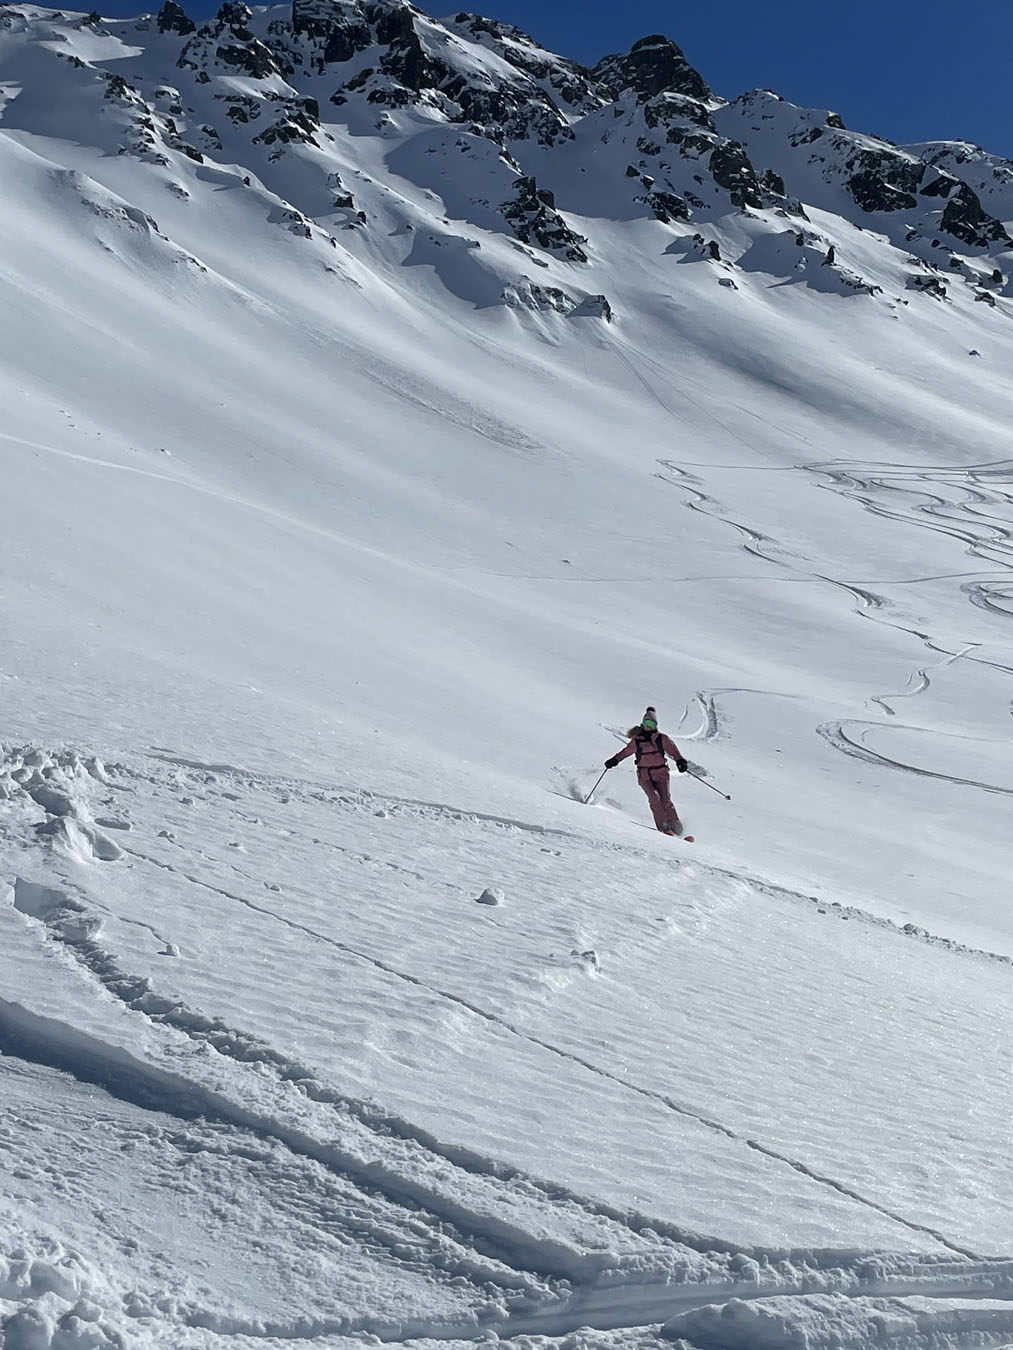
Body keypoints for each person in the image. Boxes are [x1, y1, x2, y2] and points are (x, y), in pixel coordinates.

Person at [604, 706, 689, 836]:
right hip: (645, 776)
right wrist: (614, 760)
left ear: (656, 725)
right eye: (646, 723)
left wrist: (680, 761)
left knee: (665, 800)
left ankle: (677, 827)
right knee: (654, 799)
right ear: (642, 723)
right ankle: (664, 827)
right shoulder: (637, 740)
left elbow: (673, 751)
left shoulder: (662, 739)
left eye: (651, 723)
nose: (648, 726)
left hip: (661, 774)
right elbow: (626, 752)